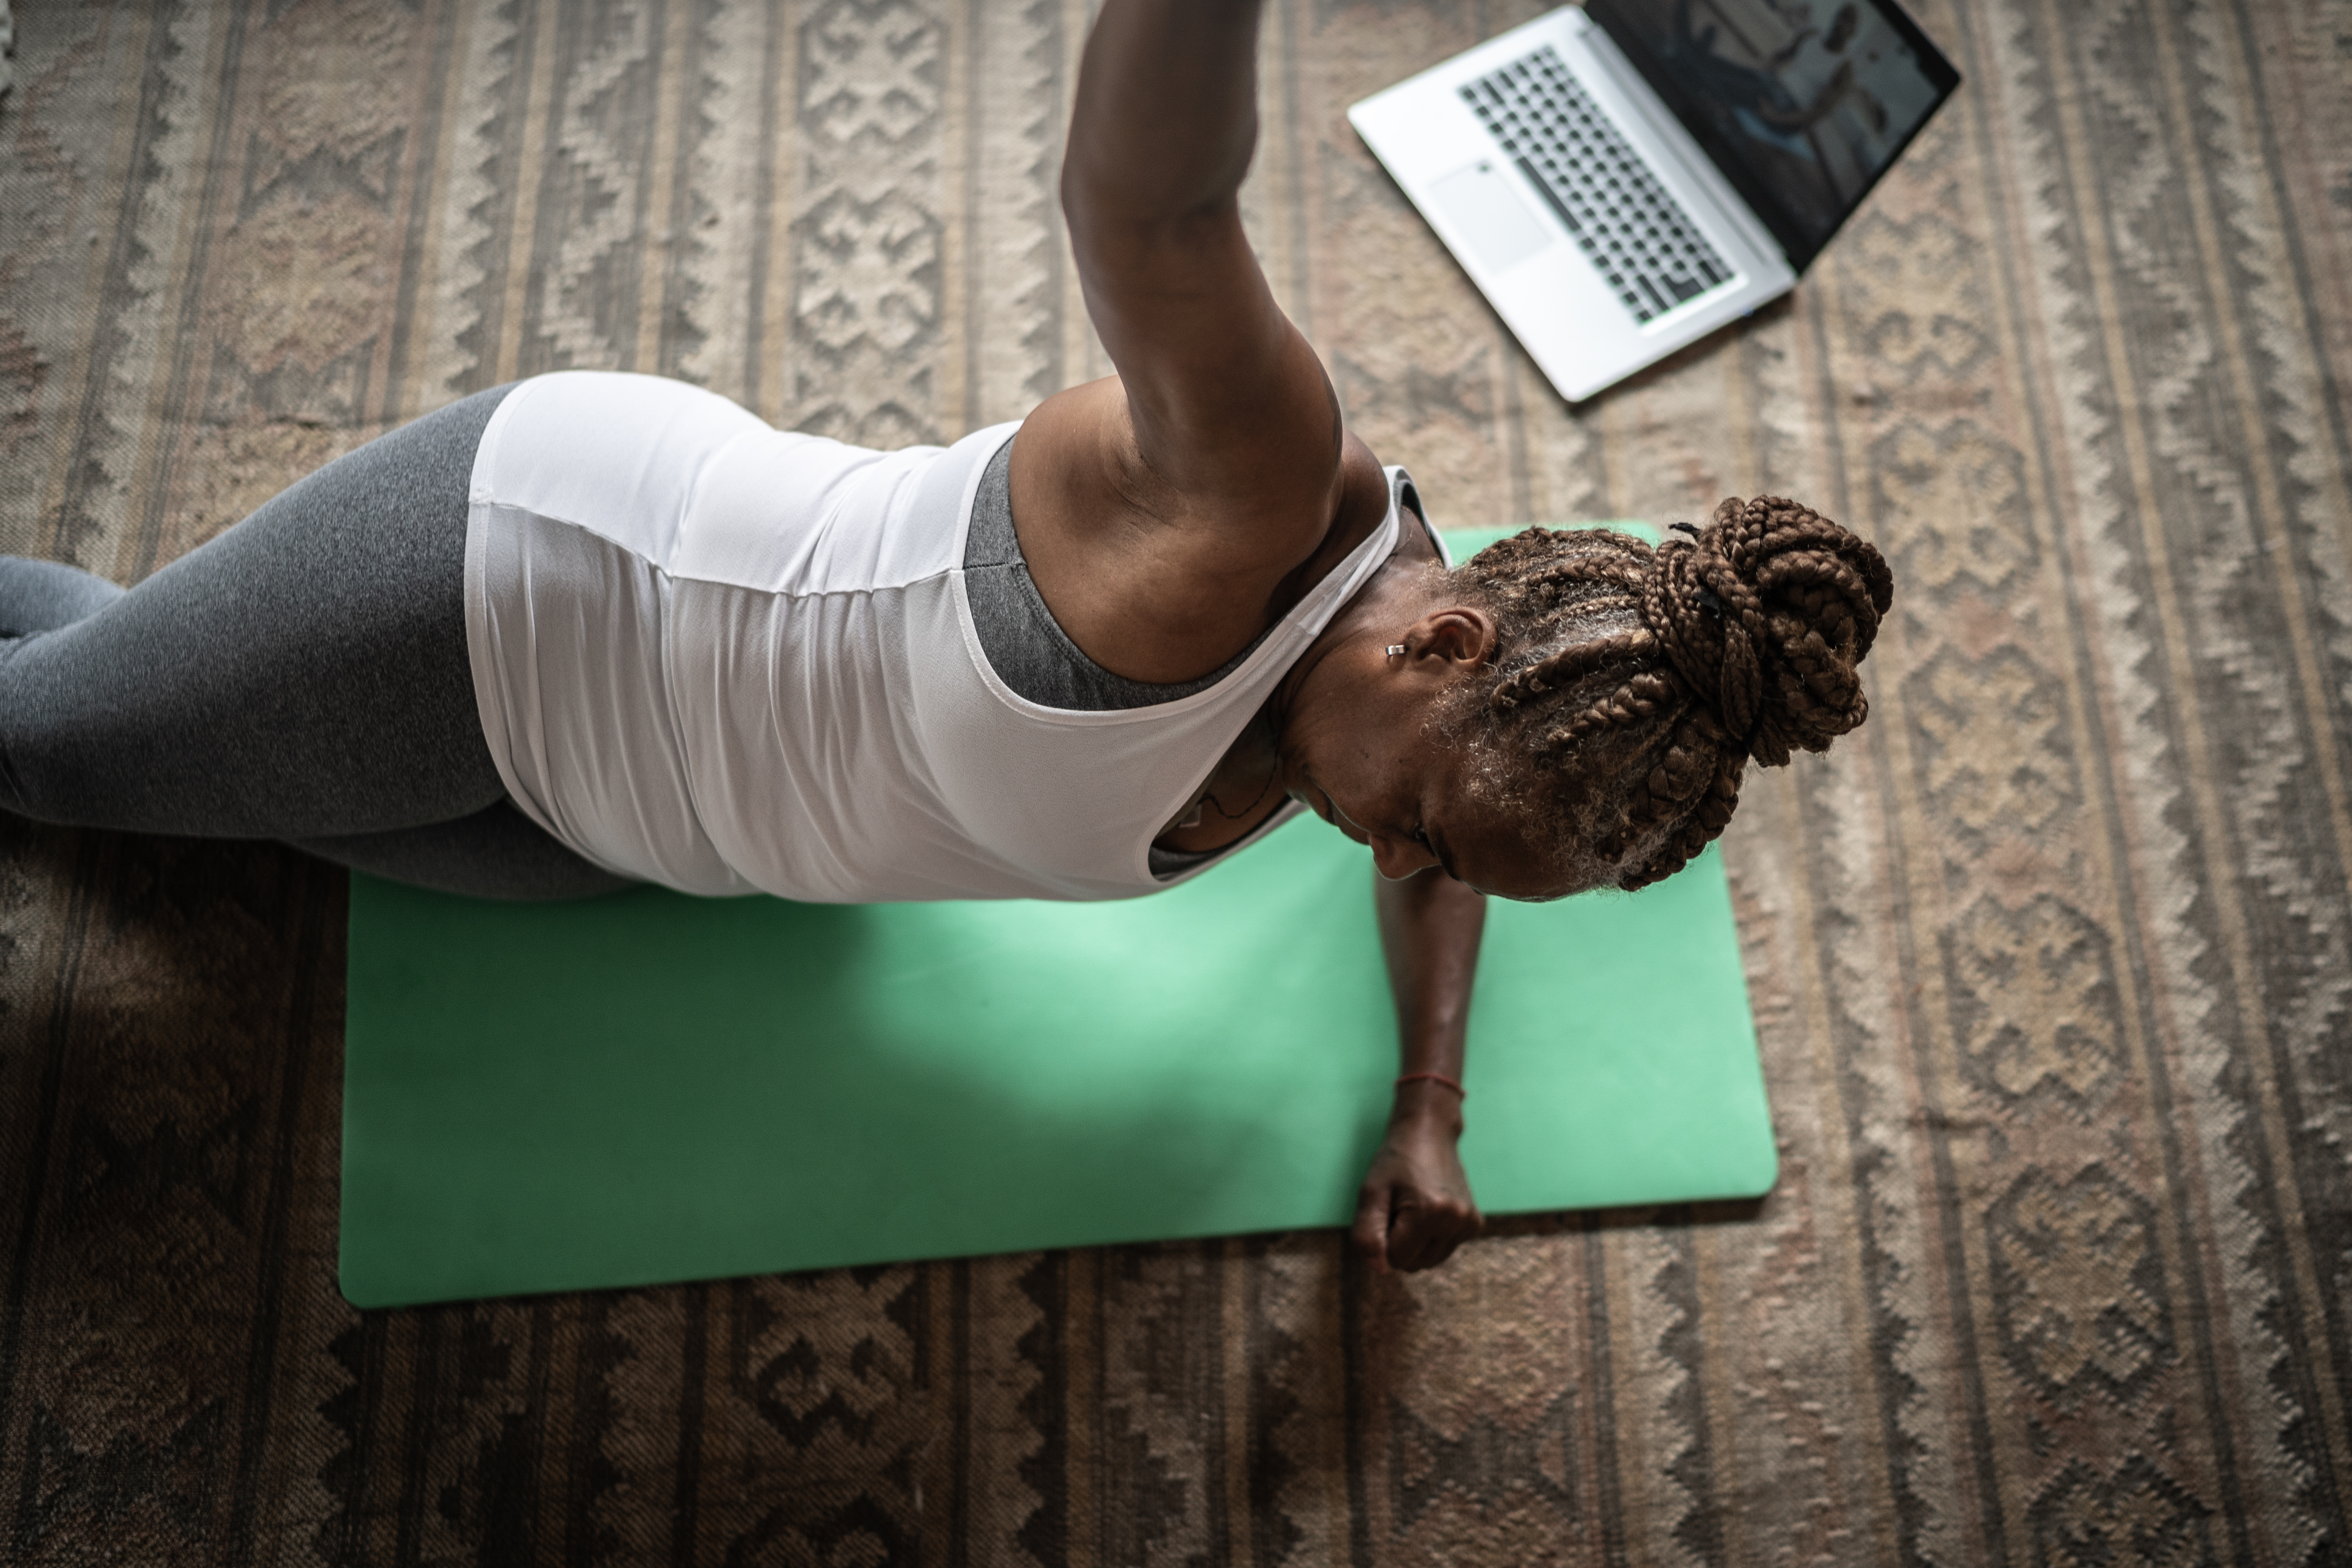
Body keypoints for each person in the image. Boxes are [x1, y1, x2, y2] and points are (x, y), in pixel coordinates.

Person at [0, 0, 1889, 1274]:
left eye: (1443, 856)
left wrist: (1428, 1107)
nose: (1395, 864)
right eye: (1421, 828)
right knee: (53, 756)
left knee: (196, 803)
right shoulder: (1248, 493)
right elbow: (1149, 201)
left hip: (632, 839)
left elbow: (1465, 835)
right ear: (1446, 649)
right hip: (509, 606)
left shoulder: (1444, 673)